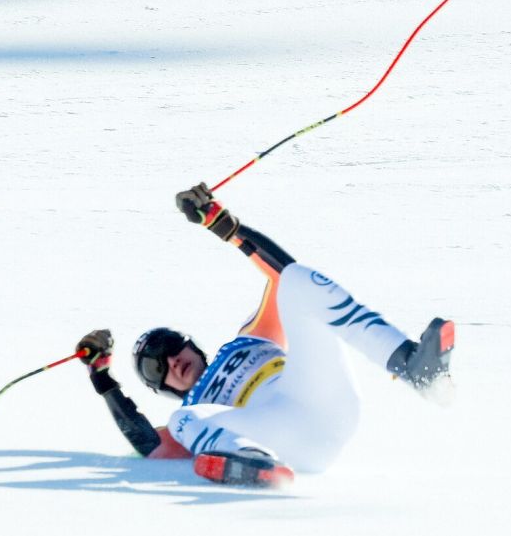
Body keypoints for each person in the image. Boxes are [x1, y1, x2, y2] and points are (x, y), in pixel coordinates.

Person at [77, 182, 455, 486]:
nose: (171, 360)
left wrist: (222, 224)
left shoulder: (251, 336)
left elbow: (281, 275)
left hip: (322, 401)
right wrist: (101, 376)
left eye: (171, 347)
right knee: (183, 419)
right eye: (156, 368)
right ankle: (248, 461)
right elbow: (150, 446)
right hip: (275, 434)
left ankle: (414, 367)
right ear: (160, 387)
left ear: (190, 343)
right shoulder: (194, 413)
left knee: (298, 279)